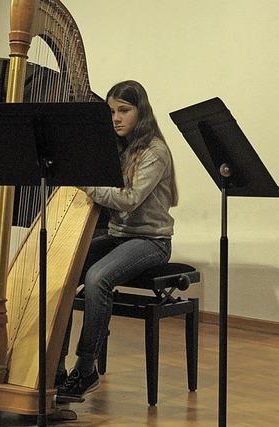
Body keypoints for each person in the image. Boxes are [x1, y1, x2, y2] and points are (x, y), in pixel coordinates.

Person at [57, 80, 178, 399]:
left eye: (123, 110)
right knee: (61, 270)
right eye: (111, 112)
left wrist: (85, 184)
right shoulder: (118, 150)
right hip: (119, 237)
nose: (116, 118)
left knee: (97, 278)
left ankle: (85, 369)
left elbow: (129, 199)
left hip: (152, 241)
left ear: (142, 112)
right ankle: (55, 362)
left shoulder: (156, 151)